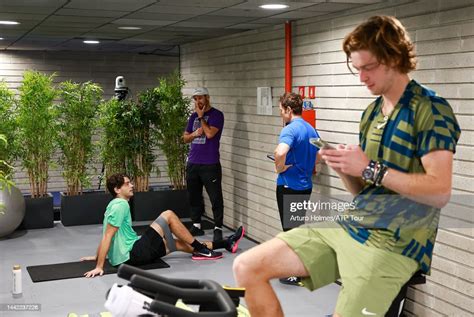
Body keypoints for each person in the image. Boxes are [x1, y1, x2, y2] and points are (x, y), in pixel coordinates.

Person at [233, 15, 460, 317]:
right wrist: (344, 168)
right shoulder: (371, 113)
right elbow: (363, 190)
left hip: (395, 242)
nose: (362, 77)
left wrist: (370, 168)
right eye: (357, 68)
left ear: (394, 58)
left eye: (368, 67)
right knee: (247, 266)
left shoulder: (430, 109)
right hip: (352, 225)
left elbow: (440, 191)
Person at [83, 173, 245, 278]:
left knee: (177, 243)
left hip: (132, 253)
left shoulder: (113, 204)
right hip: (133, 254)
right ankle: (202, 249)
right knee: (167, 215)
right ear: (117, 189)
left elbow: (106, 232)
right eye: (127, 184)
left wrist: (99, 255)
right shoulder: (121, 205)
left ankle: (226, 243)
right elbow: (108, 235)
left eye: (130, 182)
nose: (132, 185)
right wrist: (99, 266)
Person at [274, 92, 318, 286]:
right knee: (296, 229)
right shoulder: (311, 129)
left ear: (289, 110)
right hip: (304, 186)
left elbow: (279, 151)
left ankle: (295, 273)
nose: (281, 115)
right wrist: (307, 166)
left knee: (290, 232)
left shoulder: (290, 130)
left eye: (281, 111)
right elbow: (322, 152)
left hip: (288, 186)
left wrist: (280, 167)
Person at [183, 87, 225, 242]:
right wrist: (194, 134)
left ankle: (218, 227)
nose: (197, 102)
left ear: (207, 98)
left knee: (215, 197)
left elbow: (209, 134)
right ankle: (196, 225)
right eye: (195, 99)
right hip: (193, 162)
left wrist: (201, 118)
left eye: (200, 98)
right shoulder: (192, 116)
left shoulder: (217, 115)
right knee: (194, 196)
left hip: (210, 163)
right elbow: (185, 137)